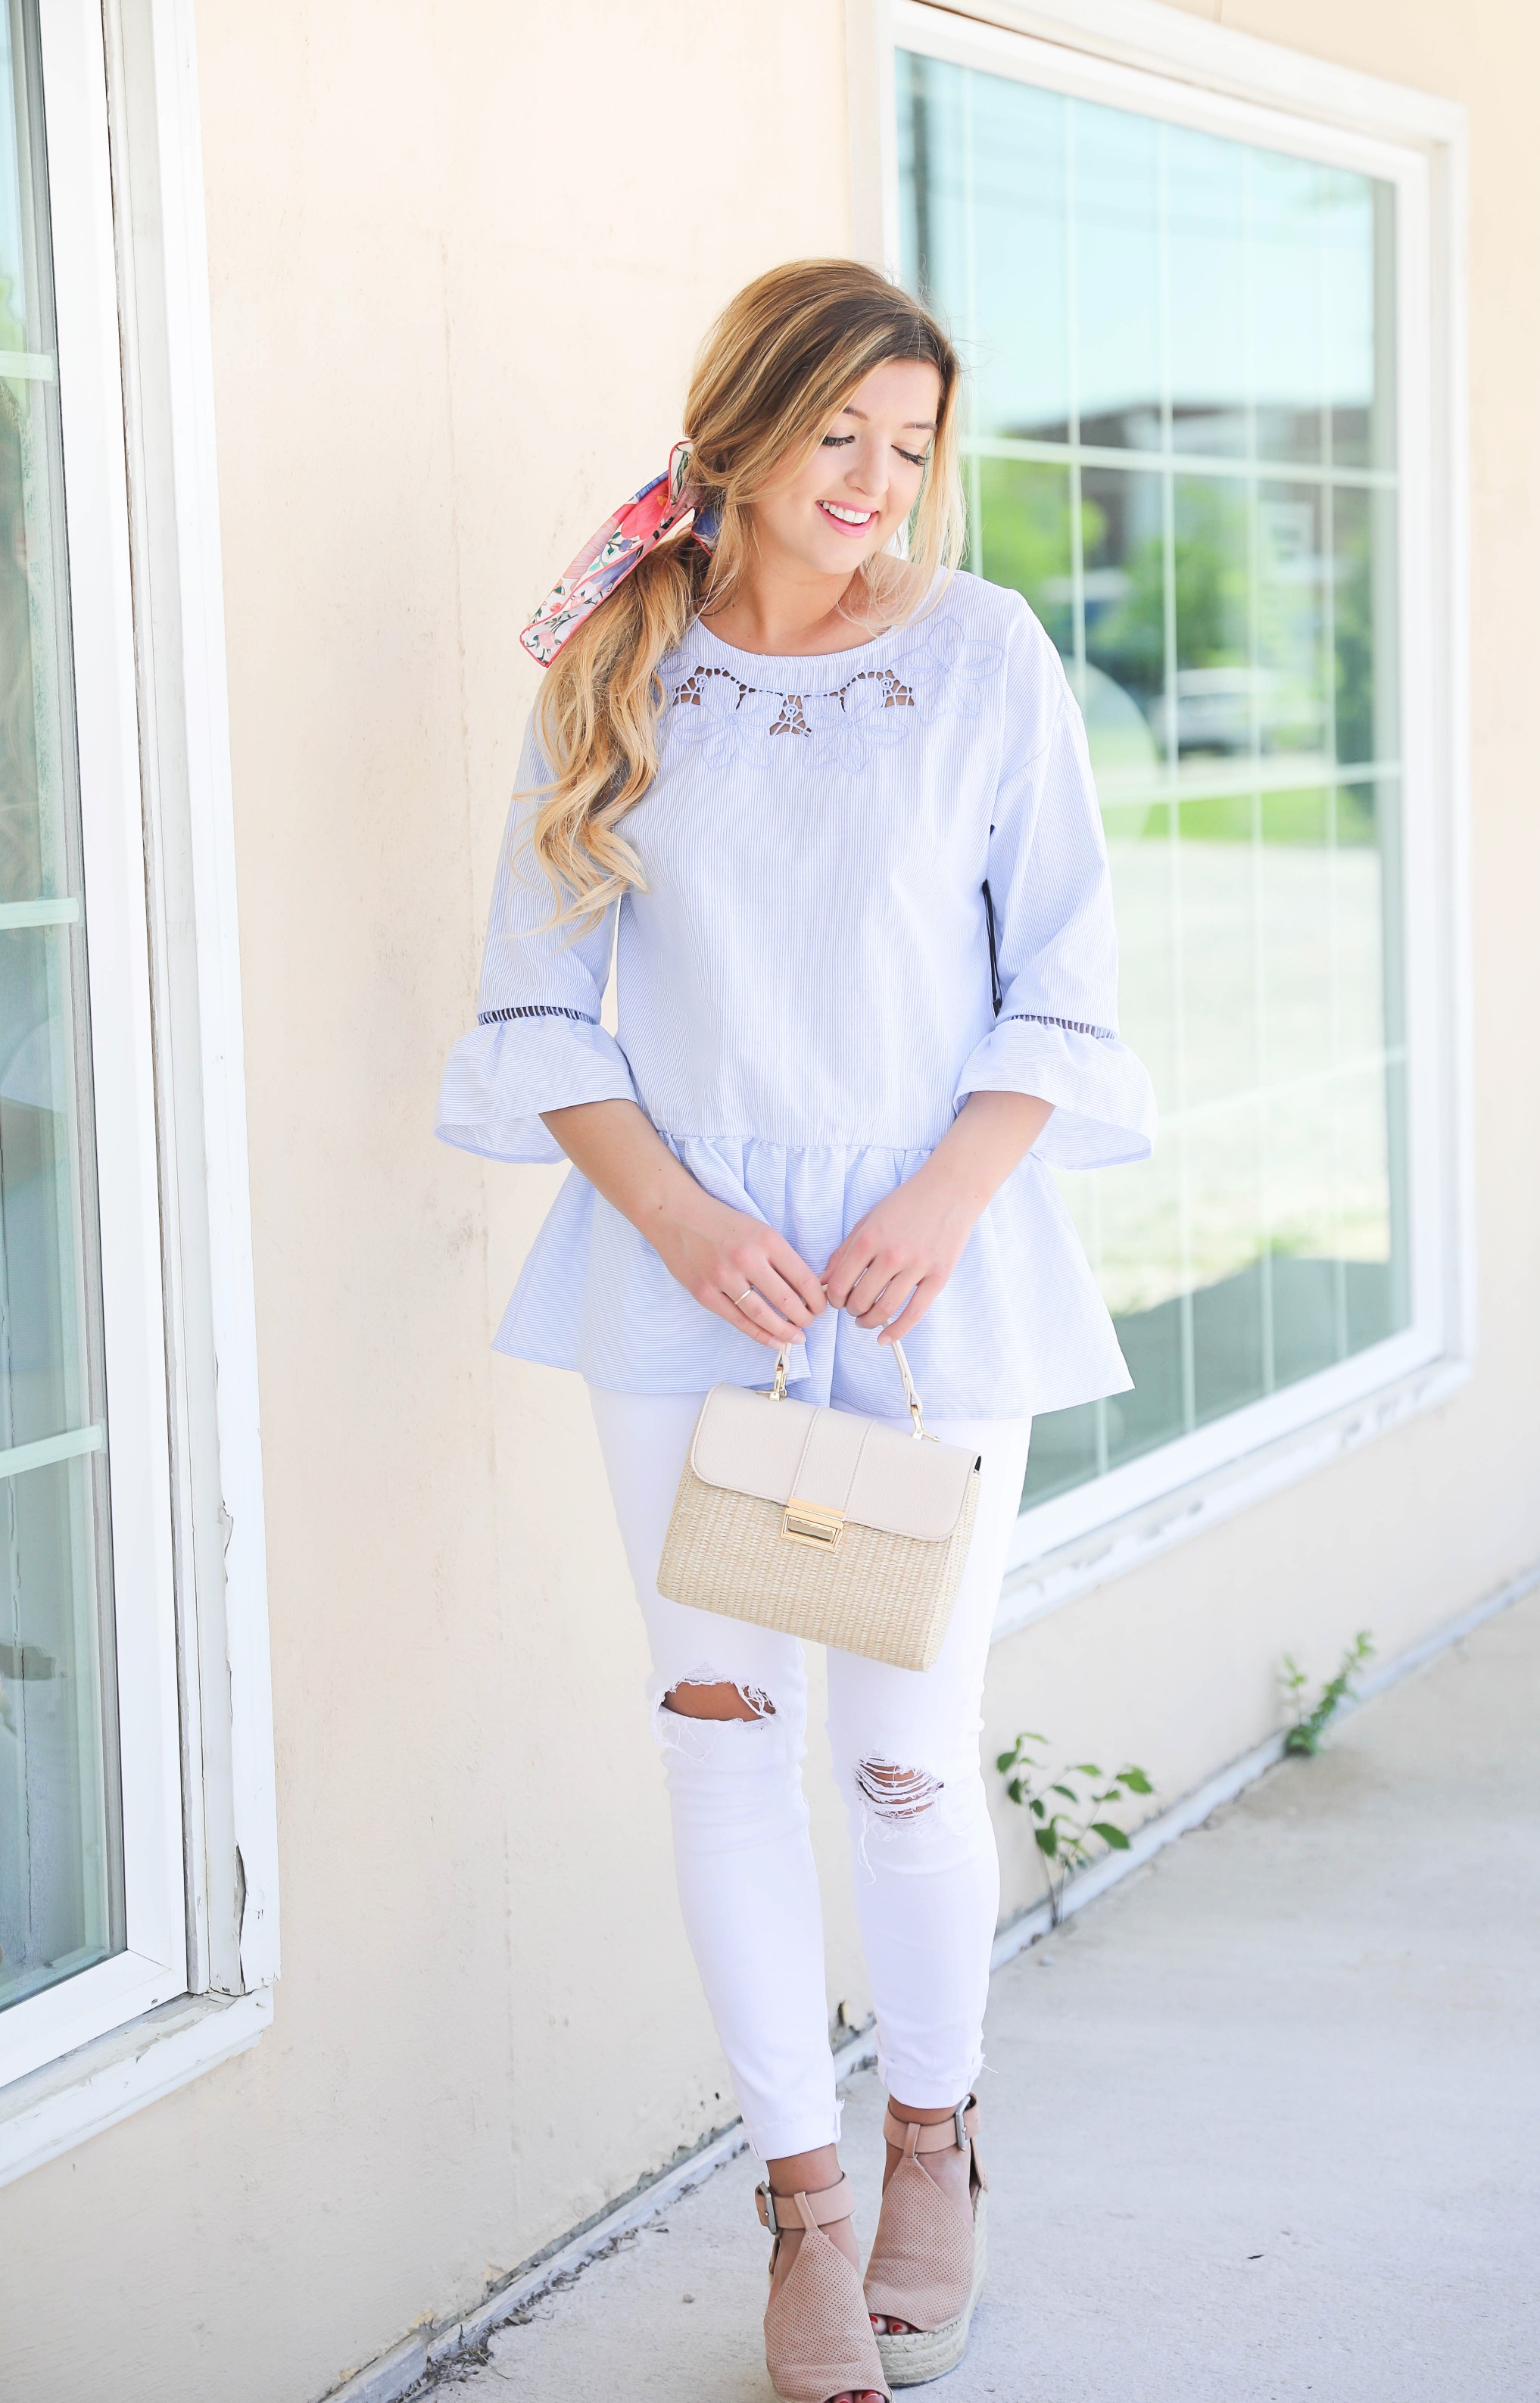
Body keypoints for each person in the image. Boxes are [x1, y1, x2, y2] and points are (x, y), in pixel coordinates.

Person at [436, 259, 1155, 2401]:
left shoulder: (982, 658)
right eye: (839, 434)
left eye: (913, 445)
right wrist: (670, 1214)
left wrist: (941, 1205)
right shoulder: (617, 666)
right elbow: (539, 1006)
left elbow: (1064, 985)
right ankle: (805, 2202)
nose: (878, 483)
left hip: (931, 1293)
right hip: (692, 1294)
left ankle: (935, 2133)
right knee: (722, 1739)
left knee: (907, 1748)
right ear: (740, 433)